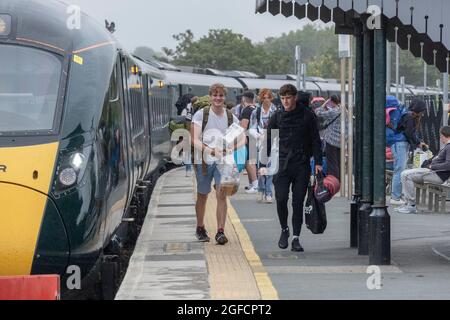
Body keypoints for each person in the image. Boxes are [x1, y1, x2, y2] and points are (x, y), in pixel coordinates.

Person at [267, 84, 323, 252]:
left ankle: (296, 238)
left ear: (295, 97)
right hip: (282, 165)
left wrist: (318, 163)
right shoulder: (276, 116)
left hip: (301, 164)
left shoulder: (307, 116)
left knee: (298, 201)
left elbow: (315, 140)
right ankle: (284, 229)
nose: (285, 101)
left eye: (288, 98)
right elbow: (267, 140)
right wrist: (262, 164)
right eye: (283, 98)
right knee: (281, 199)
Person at [191, 83, 242, 245]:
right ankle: (200, 227)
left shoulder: (230, 117)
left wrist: (230, 148)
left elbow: (242, 139)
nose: (218, 98)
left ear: (225, 97)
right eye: (215, 95)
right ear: (210, 96)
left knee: (222, 194)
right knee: (203, 195)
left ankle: (220, 231)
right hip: (204, 161)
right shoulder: (201, 115)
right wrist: (210, 150)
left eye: (221, 95)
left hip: (223, 162)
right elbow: (194, 139)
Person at [396, 126, 450, 214]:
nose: (440, 138)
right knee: (405, 174)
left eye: (440, 136)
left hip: (437, 174)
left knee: (406, 175)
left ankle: (411, 205)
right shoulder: (446, 147)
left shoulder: (449, 147)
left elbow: (448, 165)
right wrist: (428, 162)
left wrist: (432, 166)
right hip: (433, 173)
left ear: (444, 135)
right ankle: (408, 203)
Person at [388, 97, 428, 205]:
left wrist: (418, 141)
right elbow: (409, 133)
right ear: (418, 109)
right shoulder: (409, 117)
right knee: (400, 169)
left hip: (398, 143)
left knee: (400, 169)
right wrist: (418, 142)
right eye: (422, 111)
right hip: (400, 143)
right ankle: (395, 197)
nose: (422, 114)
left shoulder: (406, 115)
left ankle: (396, 196)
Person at [249, 89, 277, 203]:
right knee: (261, 168)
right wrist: (258, 135)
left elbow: (279, 126)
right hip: (260, 142)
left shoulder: (275, 111)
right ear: (261, 99)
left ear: (271, 98)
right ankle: (261, 190)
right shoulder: (256, 111)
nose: (266, 100)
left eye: (268, 97)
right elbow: (251, 128)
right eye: (264, 98)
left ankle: (269, 193)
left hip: (273, 142)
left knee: (270, 168)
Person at [314, 95, 342, 180]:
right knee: (337, 162)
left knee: (332, 163)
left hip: (331, 140)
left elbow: (317, 112)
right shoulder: (343, 110)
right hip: (340, 141)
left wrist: (324, 104)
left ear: (332, 101)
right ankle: (338, 181)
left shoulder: (334, 111)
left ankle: (334, 181)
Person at [239, 91, 259, 194]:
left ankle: (256, 185)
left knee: (248, 162)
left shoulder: (246, 110)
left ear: (243, 99)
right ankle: (252, 183)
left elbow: (244, 126)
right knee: (252, 161)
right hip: (255, 137)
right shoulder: (255, 108)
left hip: (248, 138)